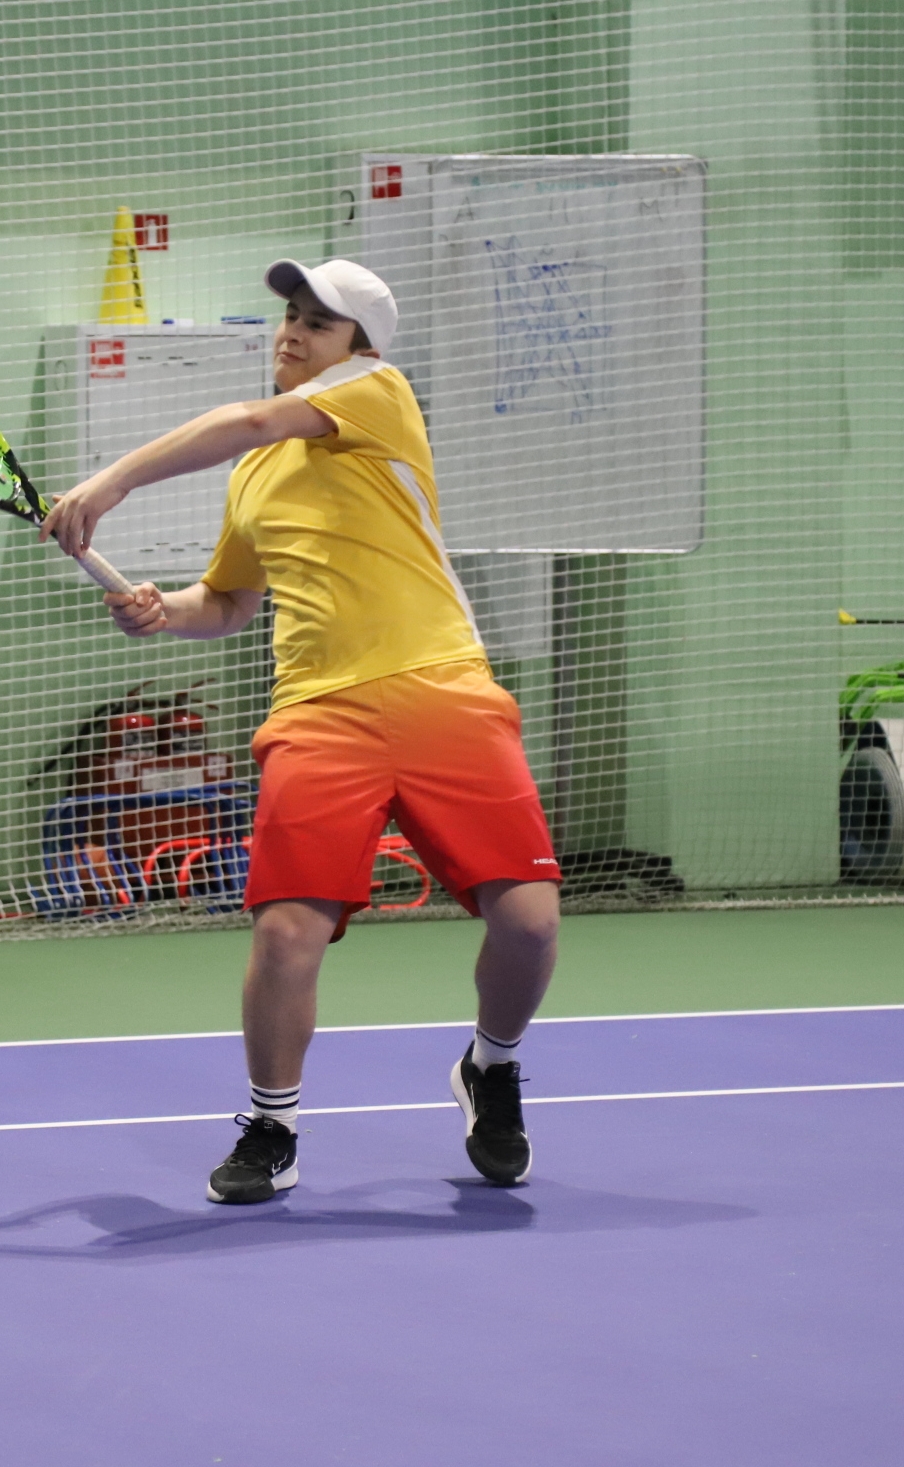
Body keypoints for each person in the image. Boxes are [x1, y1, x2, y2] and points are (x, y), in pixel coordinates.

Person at [40, 258, 561, 1204]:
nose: (294, 331)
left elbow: (247, 418)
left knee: (528, 922)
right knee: (286, 933)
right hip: (318, 711)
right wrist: (164, 611)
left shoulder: (377, 392)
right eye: (291, 315)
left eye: (320, 322)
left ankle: (491, 1065)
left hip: (441, 685)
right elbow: (230, 600)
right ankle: (272, 1127)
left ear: (359, 346)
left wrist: (109, 482)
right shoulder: (256, 474)